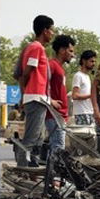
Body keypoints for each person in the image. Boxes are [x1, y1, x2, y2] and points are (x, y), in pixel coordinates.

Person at [14, 15, 55, 166]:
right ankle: (22, 169)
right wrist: (25, 93)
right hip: (36, 98)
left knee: (37, 138)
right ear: (45, 31)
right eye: (51, 30)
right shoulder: (36, 48)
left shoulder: (36, 48)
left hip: (38, 98)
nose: (52, 33)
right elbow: (26, 73)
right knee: (31, 138)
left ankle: (31, 168)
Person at [45, 33, 76, 156]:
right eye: (70, 51)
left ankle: (50, 168)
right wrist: (50, 100)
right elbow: (41, 83)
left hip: (60, 116)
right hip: (54, 115)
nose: (73, 55)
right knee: (58, 149)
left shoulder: (60, 68)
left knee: (56, 149)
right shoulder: (52, 65)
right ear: (62, 51)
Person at [70, 50, 97, 126]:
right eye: (91, 61)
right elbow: (75, 95)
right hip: (81, 113)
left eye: (94, 62)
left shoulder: (87, 77)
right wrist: (91, 95)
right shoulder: (78, 76)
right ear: (84, 61)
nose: (93, 64)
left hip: (89, 112)